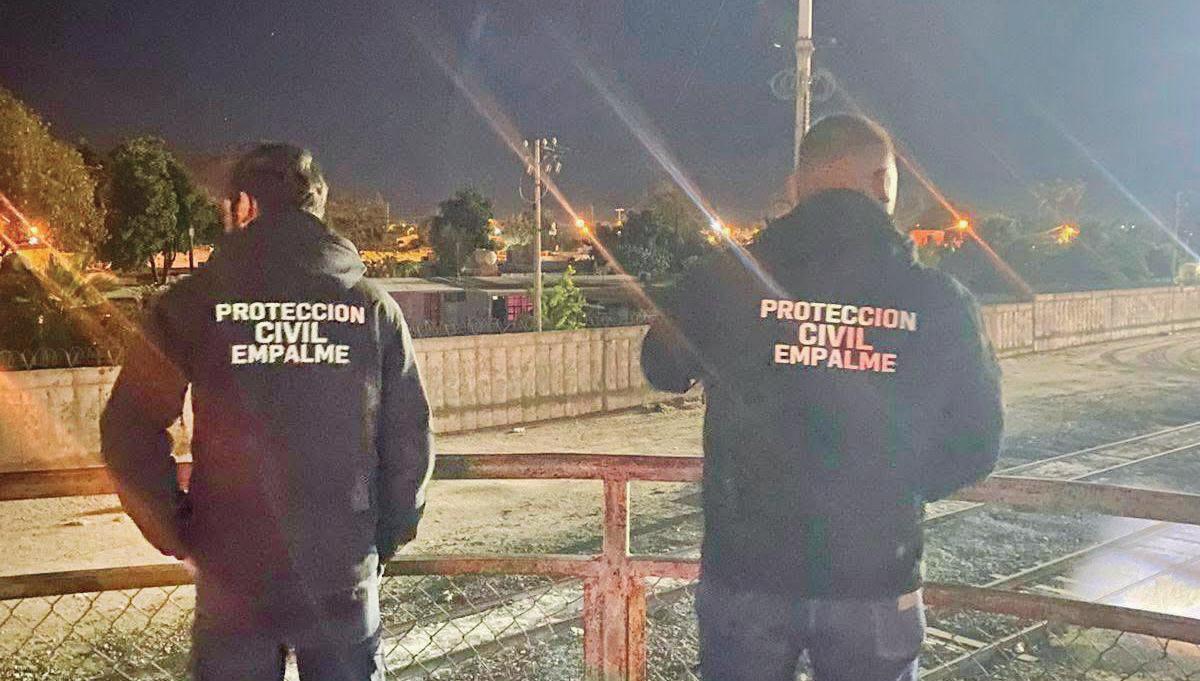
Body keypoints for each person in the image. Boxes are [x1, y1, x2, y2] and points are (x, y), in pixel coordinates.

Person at [641, 115, 1003, 681]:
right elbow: (976, 444)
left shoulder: (724, 279)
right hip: (876, 575)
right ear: (882, 182)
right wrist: (889, 491)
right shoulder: (937, 300)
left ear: (797, 186)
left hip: (748, 572)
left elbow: (661, 368)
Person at [101, 143, 434, 680]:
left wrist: (176, 529)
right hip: (340, 569)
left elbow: (128, 427)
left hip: (233, 573)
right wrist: (384, 537)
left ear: (244, 207)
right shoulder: (372, 307)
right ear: (316, 208)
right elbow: (408, 438)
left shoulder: (192, 303)